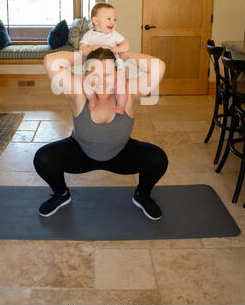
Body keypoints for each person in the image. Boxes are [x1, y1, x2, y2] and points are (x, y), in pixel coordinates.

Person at [33, 47, 168, 221]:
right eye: (94, 74)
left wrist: (123, 55)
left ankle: (142, 195)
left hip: (121, 153)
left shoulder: (130, 90)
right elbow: (50, 61)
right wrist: (83, 56)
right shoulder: (78, 91)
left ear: (118, 73)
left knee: (158, 159)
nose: (101, 81)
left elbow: (159, 66)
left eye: (108, 74)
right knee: (43, 158)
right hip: (81, 152)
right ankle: (61, 194)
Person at [79, 2, 130, 114]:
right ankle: (92, 98)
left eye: (115, 19)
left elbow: (126, 45)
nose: (113, 22)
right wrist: (91, 48)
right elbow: (82, 50)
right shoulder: (89, 35)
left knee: (121, 84)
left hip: (115, 67)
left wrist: (118, 49)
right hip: (93, 67)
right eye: (109, 19)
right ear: (96, 21)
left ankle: (121, 105)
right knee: (84, 79)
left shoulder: (114, 35)